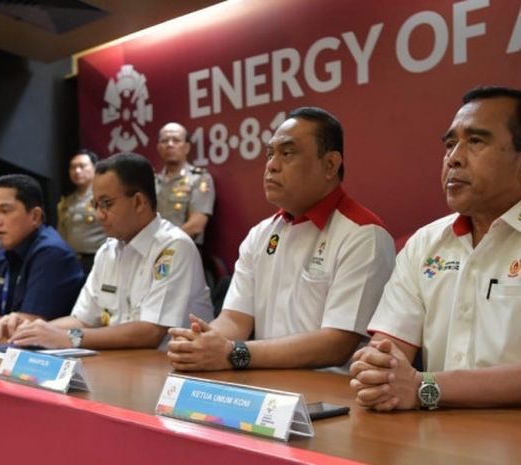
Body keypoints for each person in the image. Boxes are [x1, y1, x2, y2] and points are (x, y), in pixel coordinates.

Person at [167, 107, 395, 372]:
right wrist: (203, 342)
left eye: (287, 154)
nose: (271, 166)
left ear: (330, 164)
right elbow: (235, 319)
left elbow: (337, 343)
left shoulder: (363, 234)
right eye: (270, 154)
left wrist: (234, 353)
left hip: (333, 398)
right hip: (266, 388)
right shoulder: (261, 234)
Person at [350, 86, 521, 411]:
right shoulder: (425, 244)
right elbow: (389, 349)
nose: (454, 157)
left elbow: (415, 385)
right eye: (449, 144)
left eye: (476, 141)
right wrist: (376, 370)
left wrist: (424, 386)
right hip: (434, 438)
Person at [0, 153, 213, 350]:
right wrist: (35, 330)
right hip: (121, 367)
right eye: (95, 204)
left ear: (138, 202)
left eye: (106, 204)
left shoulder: (173, 246)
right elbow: (82, 320)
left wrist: (71, 337)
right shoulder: (107, 251)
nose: (99, 215)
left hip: (168, 375)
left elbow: (149, 333)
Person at [0, 174, 84, 337]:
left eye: (5, 211)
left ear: (35, 216)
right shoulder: (0, 252)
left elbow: (25, 327)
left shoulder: (52, 253)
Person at [155, 122, 215, 244]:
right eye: (164, 141)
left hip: (184, 251)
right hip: (152, 253)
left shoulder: (200, 179)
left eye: (176, 140)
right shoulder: (151, 182)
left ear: (187, 147)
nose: (170, 145)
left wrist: (162, 244)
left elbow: (196, 225)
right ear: (159, 147)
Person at [57, 149, 106, 273]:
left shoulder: (104, 197)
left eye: (82, 166)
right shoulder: (67, 201)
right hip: (72, 260)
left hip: (99, 259)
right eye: (73, 167)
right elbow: (62, 232)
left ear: (95, 168)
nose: (77, 171)